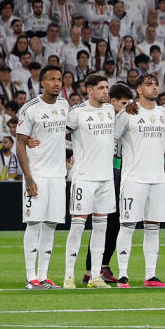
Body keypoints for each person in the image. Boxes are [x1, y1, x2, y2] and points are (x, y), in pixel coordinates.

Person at [15, 64, 71, 288]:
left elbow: (67, 134)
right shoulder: (31, 108)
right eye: (52, 79)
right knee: (34, 223)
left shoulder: (65, 106)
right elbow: (20, 144)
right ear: (43, 83)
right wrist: (28, 177)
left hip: (58, 176)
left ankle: (43, 275)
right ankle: (31, 277)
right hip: (37, 174)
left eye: (60, 79)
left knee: (50, 224)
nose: (57, 83)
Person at [115, 73, 165, 287]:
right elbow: (112, 138)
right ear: (138, 90)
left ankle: (150, 275)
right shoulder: (127, 113)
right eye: (149, 85)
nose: (155, 88)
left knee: (153, 227)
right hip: (133, 178)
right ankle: (122, 275)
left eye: (156, 84)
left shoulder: (163, 114)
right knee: (127, 225)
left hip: (157, 179)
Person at [63, 75, 118, 289]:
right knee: (77, 226)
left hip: (105, 178)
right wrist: (72, 155)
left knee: (100, 228)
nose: (106, 91)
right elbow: (61, 134)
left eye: (107, 87)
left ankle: (95, 276)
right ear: (90, 90)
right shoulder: (77, 113)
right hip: (84, 177)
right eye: (101, 88)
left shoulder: (110, 110)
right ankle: (69, 276)